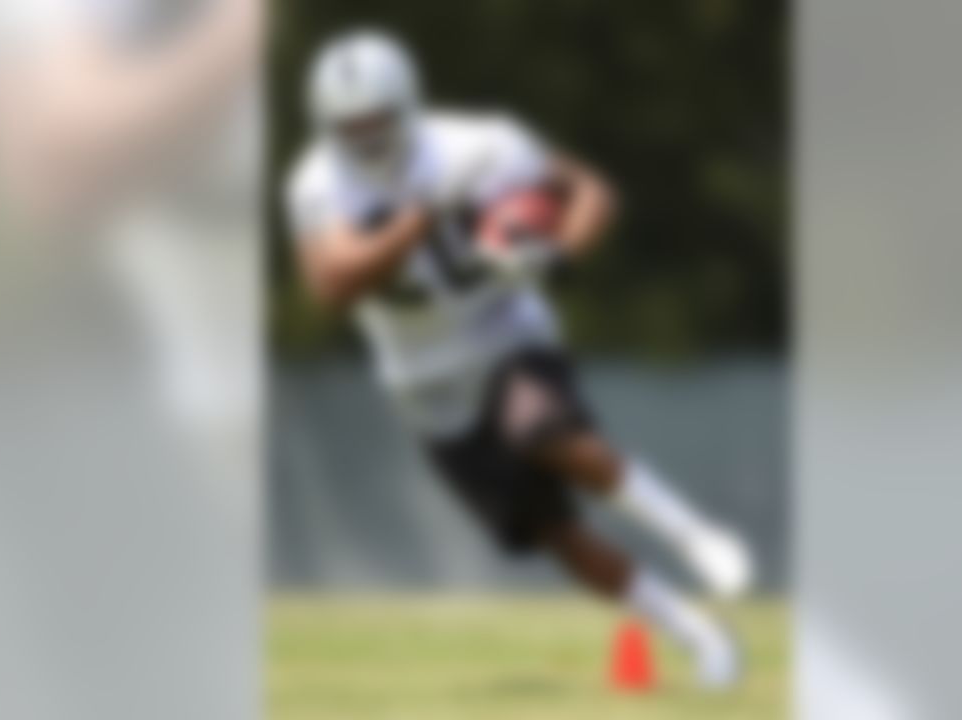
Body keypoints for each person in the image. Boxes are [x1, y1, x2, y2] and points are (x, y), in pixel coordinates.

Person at [287, 28, 752, 687]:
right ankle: (703, 638)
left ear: (408, 104)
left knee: (547, 433)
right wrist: (419, 221)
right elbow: (333, 283)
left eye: (376, 119)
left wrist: (558, 252)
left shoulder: (481, 145)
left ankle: (696, 536)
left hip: (503, 335)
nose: (363, 136)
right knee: (555, 534)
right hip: (423, 385)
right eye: (348, 124)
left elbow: (592, 192)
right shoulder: (316, 183)